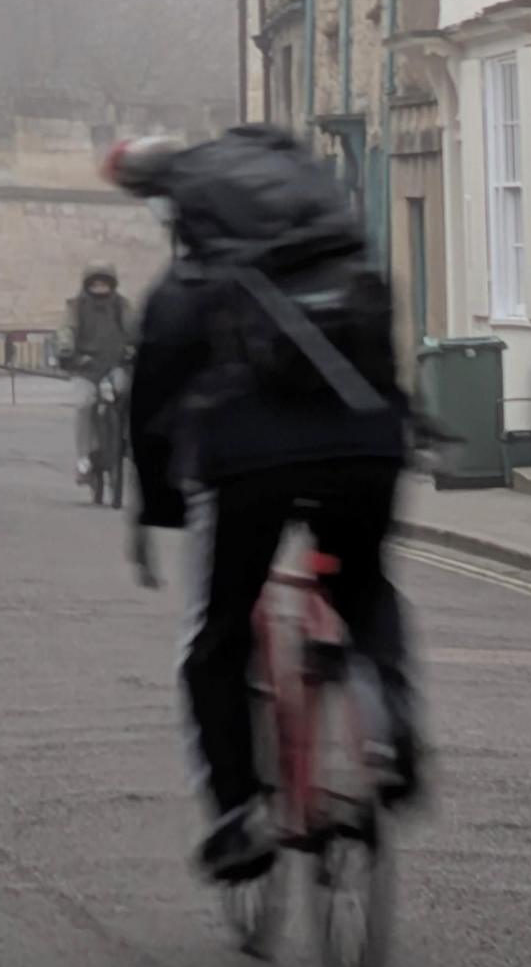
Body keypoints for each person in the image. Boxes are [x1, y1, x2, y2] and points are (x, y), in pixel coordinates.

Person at [109, 126, 422, 886]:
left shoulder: (192, 285)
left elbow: (152, 401)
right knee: (362, 582)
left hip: (250, 460)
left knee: (215, 638)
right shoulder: (349, 261)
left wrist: (158, 508)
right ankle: (387, 712)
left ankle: (237, 812)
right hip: (367, 441)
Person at [60, 265, 133, 489]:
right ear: (87, 284)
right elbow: (67, 330)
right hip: (86, 368)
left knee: (129, 394)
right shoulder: (77, 306)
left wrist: (138, 348)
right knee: (83, 404)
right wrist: (66, 350)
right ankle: (83, 459)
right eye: (95, 283)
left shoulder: (122, 305)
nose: (100, 288)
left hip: (115, 366)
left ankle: (129, 442)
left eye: (104, 283)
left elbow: (134, 329)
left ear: (112, 284)